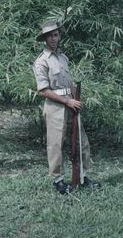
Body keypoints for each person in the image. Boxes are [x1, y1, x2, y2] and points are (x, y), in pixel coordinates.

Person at [32, 20, 101, 194]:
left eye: (55, 35)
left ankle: (83, 176)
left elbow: (68, 82)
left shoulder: (63, 58)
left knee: (80, 140)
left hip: (71, 103)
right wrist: (67, 101)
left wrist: (75, 98)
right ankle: (59, 181)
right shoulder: (41, 62)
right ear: (44, 39)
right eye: (49, 36)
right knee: (55, 145)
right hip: (55, 106)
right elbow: (44, 91)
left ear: (59, 36)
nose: (53, 38)